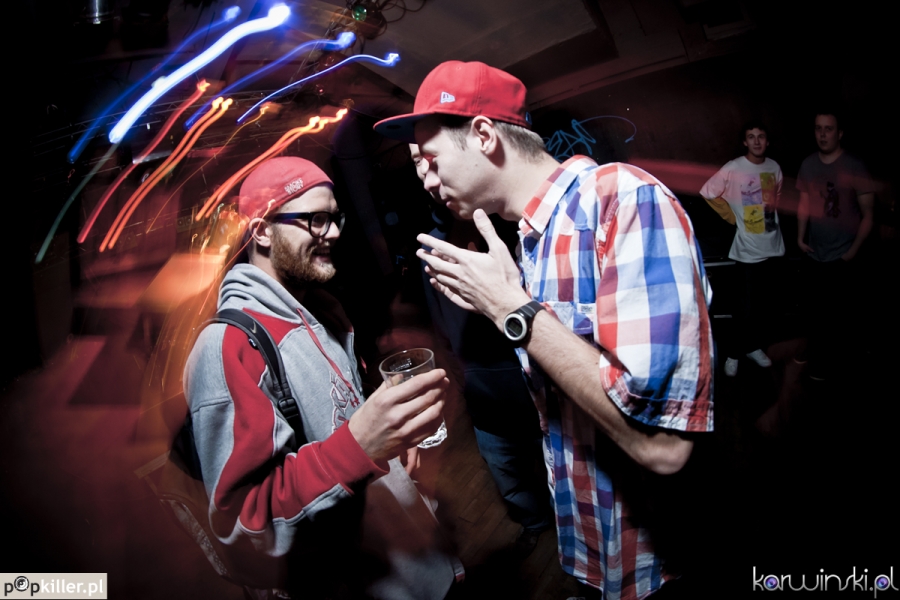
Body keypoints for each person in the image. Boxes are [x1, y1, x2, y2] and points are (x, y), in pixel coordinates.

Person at [375, 62, 714, 600]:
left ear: (484, 135)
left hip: (654, 562)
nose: (428, 182)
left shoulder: (620, 199)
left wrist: (510, 308)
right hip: (591, 545)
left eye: (432, 161)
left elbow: (664, 445)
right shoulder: (531, 241)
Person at [183, 156, 464, 599]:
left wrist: (389, 441)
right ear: (262, 231)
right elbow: (246, 522)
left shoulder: (324, 308)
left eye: (335, 219)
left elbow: (339, 420)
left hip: (417, 559)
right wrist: (360, 446)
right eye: (315, 219)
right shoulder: (227, 347)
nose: (332, 233)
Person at [411, 144, 554, 557]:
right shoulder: (432, 246)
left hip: (545, 389)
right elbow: (440, 324)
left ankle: (568, 529)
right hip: (485, 397)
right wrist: (461, 377)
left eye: (430, 157)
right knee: (507, 474)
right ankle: (535, 522)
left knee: (562, 470)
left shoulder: (518, 225)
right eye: (416, 162)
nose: (425, 172)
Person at [700, 121, 784, 377]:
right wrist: (731, 216)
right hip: (747, 250)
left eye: (761, 136)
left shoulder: (774, 168)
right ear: (745, 142)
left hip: (773, 246)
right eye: (751, 137)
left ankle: (753, 347)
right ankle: (734, 353)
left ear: (767, 141)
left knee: (763, 308)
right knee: (744, 309)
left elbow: (775, 199)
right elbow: (708, 191)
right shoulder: (734, 167)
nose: (757, 141)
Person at [795, 111, 876, 379]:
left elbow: (868, 215)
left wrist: (852, 251)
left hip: (844, 254)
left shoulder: (854, 165)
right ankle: (816, 357)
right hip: (815, 254)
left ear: (839, 133)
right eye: (818, 128)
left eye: (828, 129)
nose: (822, 134)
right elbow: (804, 204)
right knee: (816, 312)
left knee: (843, 316)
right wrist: (800, 237)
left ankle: (840, 368)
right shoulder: (808, 164)